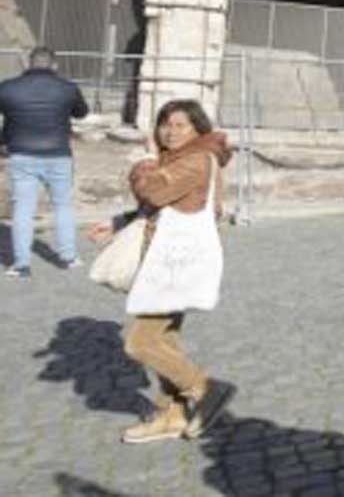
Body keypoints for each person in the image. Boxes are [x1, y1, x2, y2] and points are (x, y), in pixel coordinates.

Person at [87, 99, 236, 444]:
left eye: (180, 125)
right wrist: (117, 222)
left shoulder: (197, 160)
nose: (170, 131)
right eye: (164, 124)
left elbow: (153, 189)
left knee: (140, 343)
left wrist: (143, 162)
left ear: (198, 129)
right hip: (167, 260)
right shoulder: (181, 159)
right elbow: (161, 205)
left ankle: (206, 388)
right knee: (165, 341)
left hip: (173, 265)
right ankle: (172, 415)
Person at [1, 46, 89, 278]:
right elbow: (82, 113)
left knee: (23, 209)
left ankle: (21, 265)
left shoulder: (7, 87)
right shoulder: (67, 88)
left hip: (21, 154)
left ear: (29, 63)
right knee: (62, 206)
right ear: (54, 65)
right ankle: (68, 258)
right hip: (58, 154)